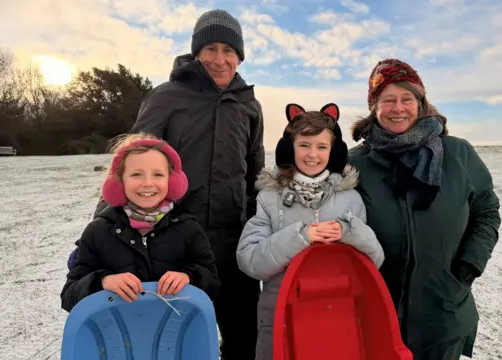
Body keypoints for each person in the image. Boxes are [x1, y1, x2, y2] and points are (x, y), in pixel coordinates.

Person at [66, 9, 264, 359]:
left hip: (232, 239)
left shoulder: (249, 105)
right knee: (172, 336)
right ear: (196, 52)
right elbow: (130, 162)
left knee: (245, 336)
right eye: (211, 49)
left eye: (229, 51)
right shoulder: (167, 97)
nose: (220, 59)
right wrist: (101, 226)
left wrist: (259, 225)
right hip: (176, 239)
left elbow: (254, 175)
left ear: (240, 56)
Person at [348, 58, 501, 359]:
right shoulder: (355, 163)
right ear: (374, 108)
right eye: (388, 100)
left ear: (421, 103)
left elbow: (487, 209)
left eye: (407, 98)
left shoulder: (458, 154)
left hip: (443, 314)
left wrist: (469, 264)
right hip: (377, 314)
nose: (398, 108)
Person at [236, 103, 385, 360]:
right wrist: (300, 237)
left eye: (321, 146)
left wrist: (349, 232)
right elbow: (249, 261)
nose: (312, 154)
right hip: (279, 318)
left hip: (336, 317)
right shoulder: (269, 198)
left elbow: (374, 261)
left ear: (334, 151)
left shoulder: (351, 199)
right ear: (288, 148)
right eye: (304, 145)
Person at [60, 133, 220, 312]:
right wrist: (102, 281)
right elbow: (69, 297)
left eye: (158, 174)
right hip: (116, 334)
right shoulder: (98, 231)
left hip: (175, 333)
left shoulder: (188, 229)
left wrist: (189, 277)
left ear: (171, 180)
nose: (148, 183)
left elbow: (213, 285)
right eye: (136, 174)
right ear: (120, 181)